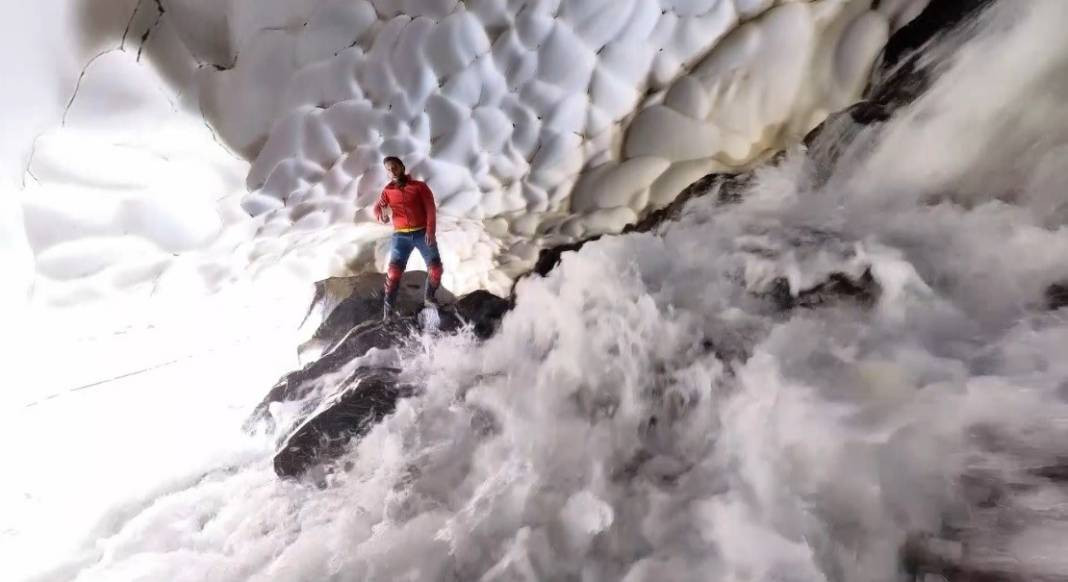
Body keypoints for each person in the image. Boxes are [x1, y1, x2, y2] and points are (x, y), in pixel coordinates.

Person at [373, 156, 444, 318]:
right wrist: (381, 216)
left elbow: (430, 208)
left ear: (402, 167)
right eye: (388, 170)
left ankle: (429, 297)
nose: (392, 172)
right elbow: (377, 208)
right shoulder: (387, 191)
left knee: (436, 269)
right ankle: (388, 311)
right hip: (401, 236)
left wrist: (430, 231)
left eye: (395, 167)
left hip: (422, 233)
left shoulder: (419, 187)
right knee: (393, 273)